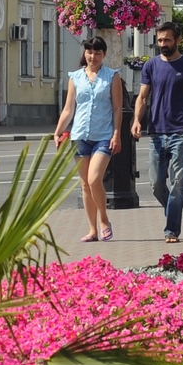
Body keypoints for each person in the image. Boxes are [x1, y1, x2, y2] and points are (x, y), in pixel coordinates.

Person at [129, 19, 183, 244]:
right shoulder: (151, 66)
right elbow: (143, 97)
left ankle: (171, 230)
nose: (162, 44)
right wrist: (137, 120)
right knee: (156, 184)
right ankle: (174, 210)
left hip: (180, 133)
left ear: (178, 40)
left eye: (167, 39)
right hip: (156, 133)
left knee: (177, 182)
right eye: (159, 40)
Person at [53, 35, 125, 242]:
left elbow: (118, 108)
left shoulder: (112, 77)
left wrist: (117, 133)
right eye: (89, 52)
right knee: (85, 184)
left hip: (104, 135)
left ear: (104, 55)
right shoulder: (75, 77)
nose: (93, 56)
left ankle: (104, 219)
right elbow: (68, 109)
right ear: (85, 53)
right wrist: (58, 131)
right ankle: (92, 229)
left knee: (95, 179)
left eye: (98, 53)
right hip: (80, 135)